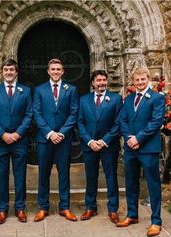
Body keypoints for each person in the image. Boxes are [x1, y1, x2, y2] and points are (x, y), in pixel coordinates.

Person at [117, 67, 165, 237]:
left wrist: (138, 138)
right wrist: (129, 137)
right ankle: (132, 215)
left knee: (153, 184)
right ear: (133, 81)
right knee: (131, 182)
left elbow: (156, 121)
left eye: (142, 79)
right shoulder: (129, 99)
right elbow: (122, 120)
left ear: (148, 79)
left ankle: (156, 221)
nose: (139, 82)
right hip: (131, 148)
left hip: (148, 148)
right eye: (137, 80)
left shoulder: (158, 98)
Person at [0, 58, 32, 224]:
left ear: (16, 72)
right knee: (2, 176)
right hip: (1, 142)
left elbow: (29, 114)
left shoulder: (25, 91)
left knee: (20, 175)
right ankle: (2, 209)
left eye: (12, 70)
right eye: (6, 70)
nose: (9, 73)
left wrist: (18, 133)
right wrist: (3, 134)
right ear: (2, 72)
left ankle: (20, 208)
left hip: (19, 141)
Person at [33, 58, 78, 222]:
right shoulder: (39, 90)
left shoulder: (71, 89)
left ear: (63, 71)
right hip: (45, 139)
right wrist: (50, 133)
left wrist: (61, 133)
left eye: (58, 69)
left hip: (63, 140)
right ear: (48, 71)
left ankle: (64, 207)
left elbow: (74, 113)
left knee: (64, 174)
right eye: (53, 69)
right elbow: (36, 113)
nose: (56, 72)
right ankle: (43, 207)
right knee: (43, 173)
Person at [78, 70, 122, 224]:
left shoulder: (116, 99)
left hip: (109, 146)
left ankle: (113, 209)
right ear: (93, 82)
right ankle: (91, 207)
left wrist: (104, 141)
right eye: (98, 80)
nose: (102, 82)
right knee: (91, 177)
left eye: (104, 80)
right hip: (89, 145)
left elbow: (118, 123)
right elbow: (80, 122)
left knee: (111, 178)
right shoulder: (84, 100)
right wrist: (90, 141)